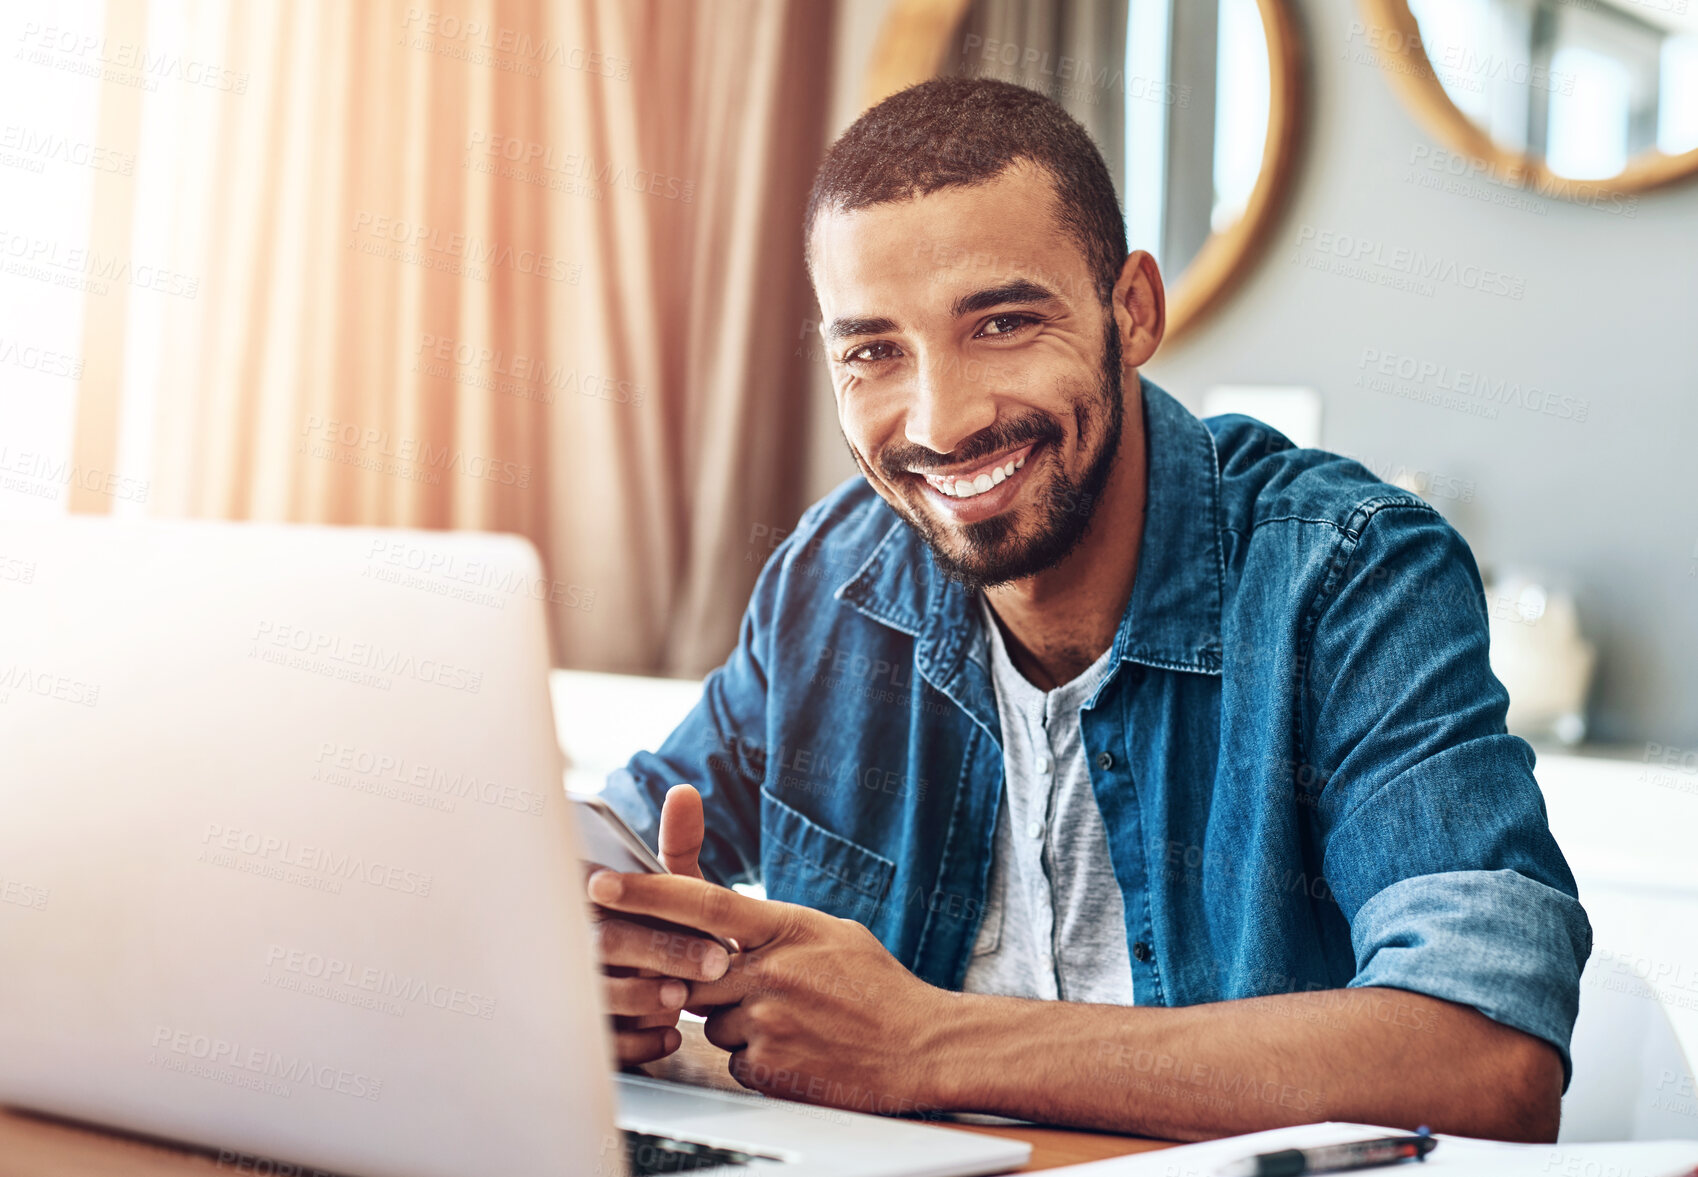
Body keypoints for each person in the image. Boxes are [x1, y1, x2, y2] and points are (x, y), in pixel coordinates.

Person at [589, 78, 1590, 1143]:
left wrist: (923, 1039)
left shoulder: (1349, 578)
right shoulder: (831, 577)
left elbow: (1488, 1059)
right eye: (874, 351)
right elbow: (602, 855)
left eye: (1004, 322)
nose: (942, 419)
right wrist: (605, 959)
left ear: (1133, 311)